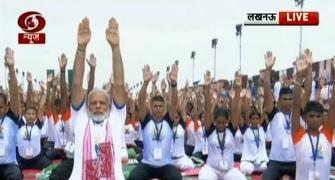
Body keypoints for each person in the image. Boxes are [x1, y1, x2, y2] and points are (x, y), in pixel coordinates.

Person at [69, 17, 127, 179]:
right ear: (87, 107)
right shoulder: (80, 120)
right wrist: (81, 48)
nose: (98, 106)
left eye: (102, 103)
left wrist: (115, 48)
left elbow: (119, 83)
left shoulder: (116, 119)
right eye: (93, 103)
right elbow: (77, 84)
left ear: (110, 107)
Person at [262, 50, 312, 180]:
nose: (288, 102)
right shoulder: (274, 114)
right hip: (275, 163)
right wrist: (268, 70)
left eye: (291, 99)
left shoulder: (298, 113)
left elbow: (308, 91)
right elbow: (267, 93)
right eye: (285, 99)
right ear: (278, 101)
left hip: (295, 162)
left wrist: (310, 67)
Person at [128, 63, 182, 180]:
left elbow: (174, 102)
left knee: (177, 177)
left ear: (164, 108)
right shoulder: (146, 120)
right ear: (151, 107)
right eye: (155, 106)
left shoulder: (168, 120)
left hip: (165, 165)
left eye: (160, 106)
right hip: (147, 164)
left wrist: (173, 84)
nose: (158, 108)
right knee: (134, 176)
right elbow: (141, 101)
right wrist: (146, 83)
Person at [291, 55, 335, 179]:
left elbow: (333, 106)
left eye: (318, 116)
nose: (315, 119)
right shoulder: (299, 134)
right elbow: (295, 106)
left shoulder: (327, 134)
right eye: (311, 116)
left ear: (323, 119)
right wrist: (299, 79)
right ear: (304, 118)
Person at [198, 71, 246, 180]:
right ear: (214, 121)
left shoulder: (230, 130)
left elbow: (236, 111)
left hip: (229, 170)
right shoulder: (210, 130)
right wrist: (207, 87)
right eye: (218, 122)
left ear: (227, 121)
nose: (221, 124)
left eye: (223, 122)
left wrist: (238, 88)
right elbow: (206, 108)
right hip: (212, 169)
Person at [17, 82, 51, 170]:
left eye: (33, 114)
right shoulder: (20, 125)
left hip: (37, 160)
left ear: (36, 116)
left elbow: (41, 107)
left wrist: (44, 92)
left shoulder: (37, 126)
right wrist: (26, 86)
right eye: (28, 114)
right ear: (24, 115)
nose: (31, 116)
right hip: (21, 160)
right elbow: (20, 105)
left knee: (52, 168)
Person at [0, 47, 23, 180]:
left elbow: (14, 93)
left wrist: (11, 69)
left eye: (1, 107)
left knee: (15, 176)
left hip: (9, 166)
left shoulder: (11, 118)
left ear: (6, 106)